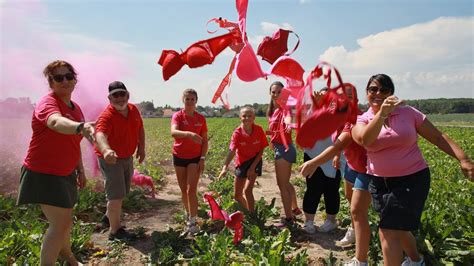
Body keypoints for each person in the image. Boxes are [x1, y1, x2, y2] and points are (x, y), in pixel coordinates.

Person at [351, 74, 474, 265]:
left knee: (388, 232)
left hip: (412, 179)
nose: (378, 93)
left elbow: (438, 137)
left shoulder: (408, 113)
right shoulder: (363, 119)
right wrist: (381, 114)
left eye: (384, 90)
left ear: (391, 93)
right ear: (367, 93)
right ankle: (416, 261)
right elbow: (365, 140)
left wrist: (464, 159)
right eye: (373, 89)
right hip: (379, 182)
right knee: (396, 227)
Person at [16, 60, 95, 265]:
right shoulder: (47, 103)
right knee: (59, 224)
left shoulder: (75, 108)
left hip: (65, 172)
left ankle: (67, 256)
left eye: (69, 76)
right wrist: (80, 127)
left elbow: (73, 141)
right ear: (51, 83)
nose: (65, 81)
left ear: (75, 79)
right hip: (43, 172)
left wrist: (80, 169)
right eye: (58, 78)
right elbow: (55, 122)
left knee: (65, 222)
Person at [95, 81, 146, 241]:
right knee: (115, 195)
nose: (119, 98)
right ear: (109, 98)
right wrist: (106, 150)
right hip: (111, 159)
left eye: (121, 94)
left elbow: (140, 128)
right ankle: (115, 231)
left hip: (126, 156)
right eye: (114, 95)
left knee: (122, 191)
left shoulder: (133, 110)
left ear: (127, 95)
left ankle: (108, 217)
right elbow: (100, 135)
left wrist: (142, 148)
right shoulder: (107, 116)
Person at [298, 88, 341, 234]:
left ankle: (331, 221)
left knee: (332, 190)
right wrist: (316, 107)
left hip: (334, 157)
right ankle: (309, 222)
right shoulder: (310, 112)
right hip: (312, 156)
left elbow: (343, 135)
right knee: (313, 189)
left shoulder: (339, 113)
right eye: (322, 97)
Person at [171, 88, 208, 234]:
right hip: (179, 156)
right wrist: (188, 134)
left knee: (191, 189)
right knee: (183, 190)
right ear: (183, 100)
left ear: (196, 101)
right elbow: (173, 132)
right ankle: (188, 214)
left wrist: (202, 158)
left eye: (192, 99)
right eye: (187, 99)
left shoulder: (201, 119)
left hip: (194, 157)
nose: (190, 102)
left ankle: (193, 222)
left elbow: (204, 141)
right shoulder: (178, 116)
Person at [218, 106, 269, 212]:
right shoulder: (237, 133)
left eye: (249, 116)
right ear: (240, 117)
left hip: (255, 160)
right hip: (242, 162)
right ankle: (247, 212)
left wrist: (252, 167)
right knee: (237, 195)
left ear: (254, 117)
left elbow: (261, 150)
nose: (247, 118)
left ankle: (252, 216)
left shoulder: (259, 130)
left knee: (247, 190)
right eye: (244, 116)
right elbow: (231, 151)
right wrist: (224, 168)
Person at [267, 81, 301, 227]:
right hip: (279, 148)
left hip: (284, 149)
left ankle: (288, 219)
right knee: (286, 183)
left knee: (282, 185)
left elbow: (292, 121)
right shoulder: (273, 111)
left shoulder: (287, 109)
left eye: (279, 92)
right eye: (273, 92)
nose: (276, 95)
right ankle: (294, 209)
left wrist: (289, 124)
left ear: (285, 93)